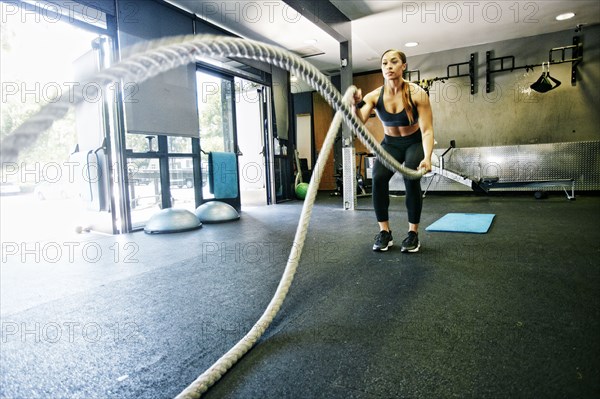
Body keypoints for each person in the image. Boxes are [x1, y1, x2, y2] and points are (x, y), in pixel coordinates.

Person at [353, 49, 434, 253]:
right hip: (390, 143)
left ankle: (413, 234)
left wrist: (427, 157)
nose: (388, 66)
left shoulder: (417, 94)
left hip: (414, 142)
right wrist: (355, 105)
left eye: (394, 62)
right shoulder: (374, 96)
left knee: (411, 177)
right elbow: (358, 121)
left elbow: (426, 130)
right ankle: (385, 233)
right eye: (384, 63)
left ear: (403, 66)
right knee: (378, 177)